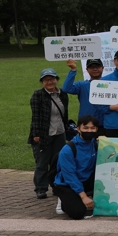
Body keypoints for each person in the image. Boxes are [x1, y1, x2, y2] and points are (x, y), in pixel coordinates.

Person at [28, 68, 69, 199]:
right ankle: (40, 188)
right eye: (46, 80)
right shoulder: (38, 95)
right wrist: (36, 134)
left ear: (56, 80)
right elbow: (36, 116)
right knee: (42, 162)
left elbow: (65, 114)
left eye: (52, 79)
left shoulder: (62, 94)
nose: (49, 82)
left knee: (57, 162)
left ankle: (56, 186)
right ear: (42, 82)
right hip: (44, 134)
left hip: (60, 132)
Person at [52, 115, 100, 219]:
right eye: (85, 128)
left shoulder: (96, 144)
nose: (89, 130)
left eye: (93, 128)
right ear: (78, 129)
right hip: (67, 183)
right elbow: (69, 175)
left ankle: (86, 194)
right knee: (77, 213)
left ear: (97, 129)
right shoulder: (68, 149)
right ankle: (63, 198)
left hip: (86, 179)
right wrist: (83, 197)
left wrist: (108, 142)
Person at [61, 58, 108, 134]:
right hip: (86, 125)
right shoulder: (82, 85)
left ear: (102, 68)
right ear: (87, 69)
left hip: (105, 124)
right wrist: (73, 70)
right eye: (91, 67)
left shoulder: (109, 84)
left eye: (97, 67)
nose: (95, 69)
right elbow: (66, 88)